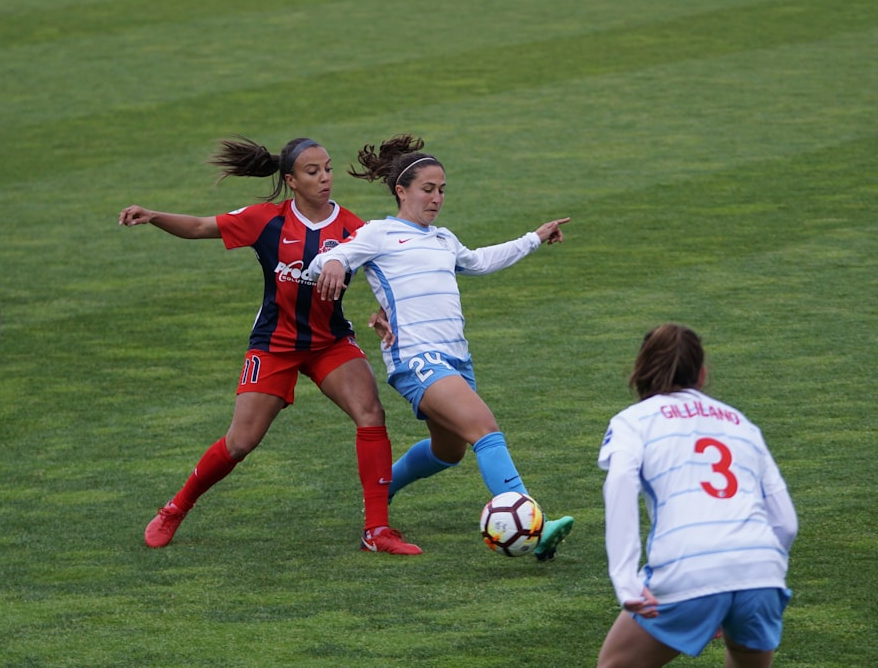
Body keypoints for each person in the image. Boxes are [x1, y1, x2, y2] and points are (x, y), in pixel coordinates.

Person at [119, 136, 422, 555]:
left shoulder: (354, 228)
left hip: (329, 342)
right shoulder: (265, 219)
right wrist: (153, 216)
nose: (325, 178)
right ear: (291, 181)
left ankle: (377, 530)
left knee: (370, 413)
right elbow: (201, 227)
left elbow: (388, 275)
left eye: (328, 169)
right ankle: (175, 507)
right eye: (313, 172)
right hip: (274, 344)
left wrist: (380, 312)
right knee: (240, 442)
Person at [307, 134, 575, 560]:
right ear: (402, 190)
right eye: (427, 190)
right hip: (416, 360)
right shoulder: (379, 233)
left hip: (455, 358)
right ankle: (534, 526)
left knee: (447, 452)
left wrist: (535, 237)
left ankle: (384, 487)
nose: (436, 199)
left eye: (442, 190)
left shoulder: (443, 239)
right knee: (485, 430)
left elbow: (481, 261)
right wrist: (336, 262)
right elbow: (326, 259)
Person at [596, 324, 798, 668]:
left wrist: (626, 580)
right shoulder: (741, 423)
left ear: (639, 371)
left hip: (688, 567)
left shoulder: (632, 422)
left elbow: (620, 487)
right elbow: (785, 524)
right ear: (702, 374)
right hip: (761, 571)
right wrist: (741, 577)